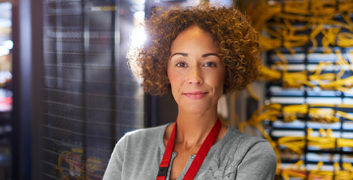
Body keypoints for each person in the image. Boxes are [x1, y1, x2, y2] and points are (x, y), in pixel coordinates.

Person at [103, 5, 277, 180]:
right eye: (181, 64)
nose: (195, 78)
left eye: (209, 63)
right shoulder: (129, 147)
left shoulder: (251, 154)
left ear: (227, 71)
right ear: (164, 70)